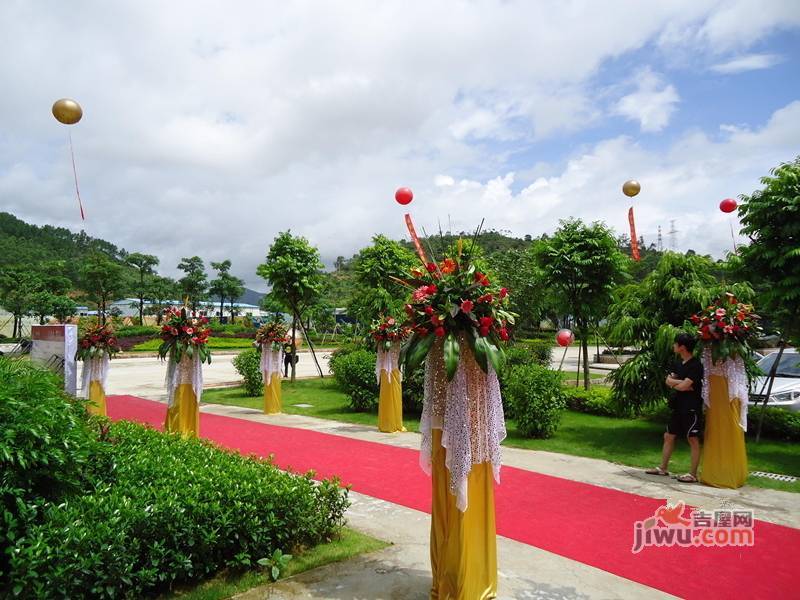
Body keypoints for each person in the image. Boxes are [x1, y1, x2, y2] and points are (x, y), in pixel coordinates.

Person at [646, 332, 704, 483]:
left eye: (675, 343)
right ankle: (663, 468)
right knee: (669, 435)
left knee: (692, 438)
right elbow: (669, 381)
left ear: (682, 347)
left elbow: (685, 385)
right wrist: (682, 384)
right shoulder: (678, 363)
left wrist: (680, 384)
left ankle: (692, 474)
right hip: (678, 405)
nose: (673, 346)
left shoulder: (696, 365)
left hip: (691, 407)